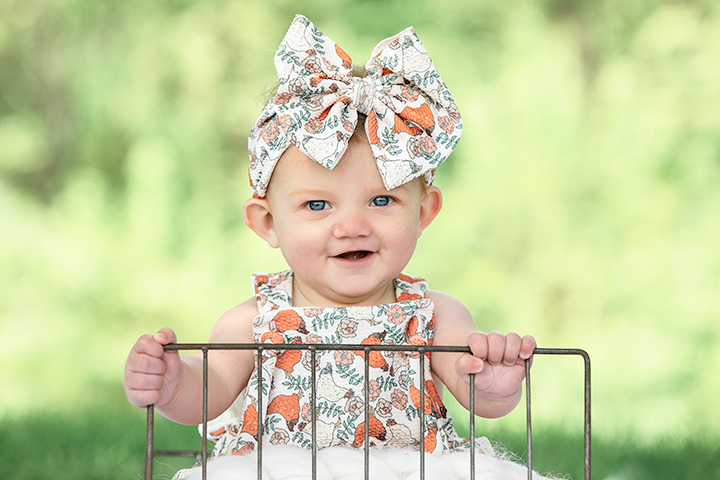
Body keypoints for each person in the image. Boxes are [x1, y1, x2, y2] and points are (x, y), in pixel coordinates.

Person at [124, 14, 553, 480]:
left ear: (424, 211)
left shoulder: (435, 316)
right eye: (317, 205)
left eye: (382, 200)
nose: (351, 226)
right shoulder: (254, 321)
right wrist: (170, 384)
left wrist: (493, 386)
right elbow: (207, 393)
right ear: (268, 224)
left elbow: (478, 397)